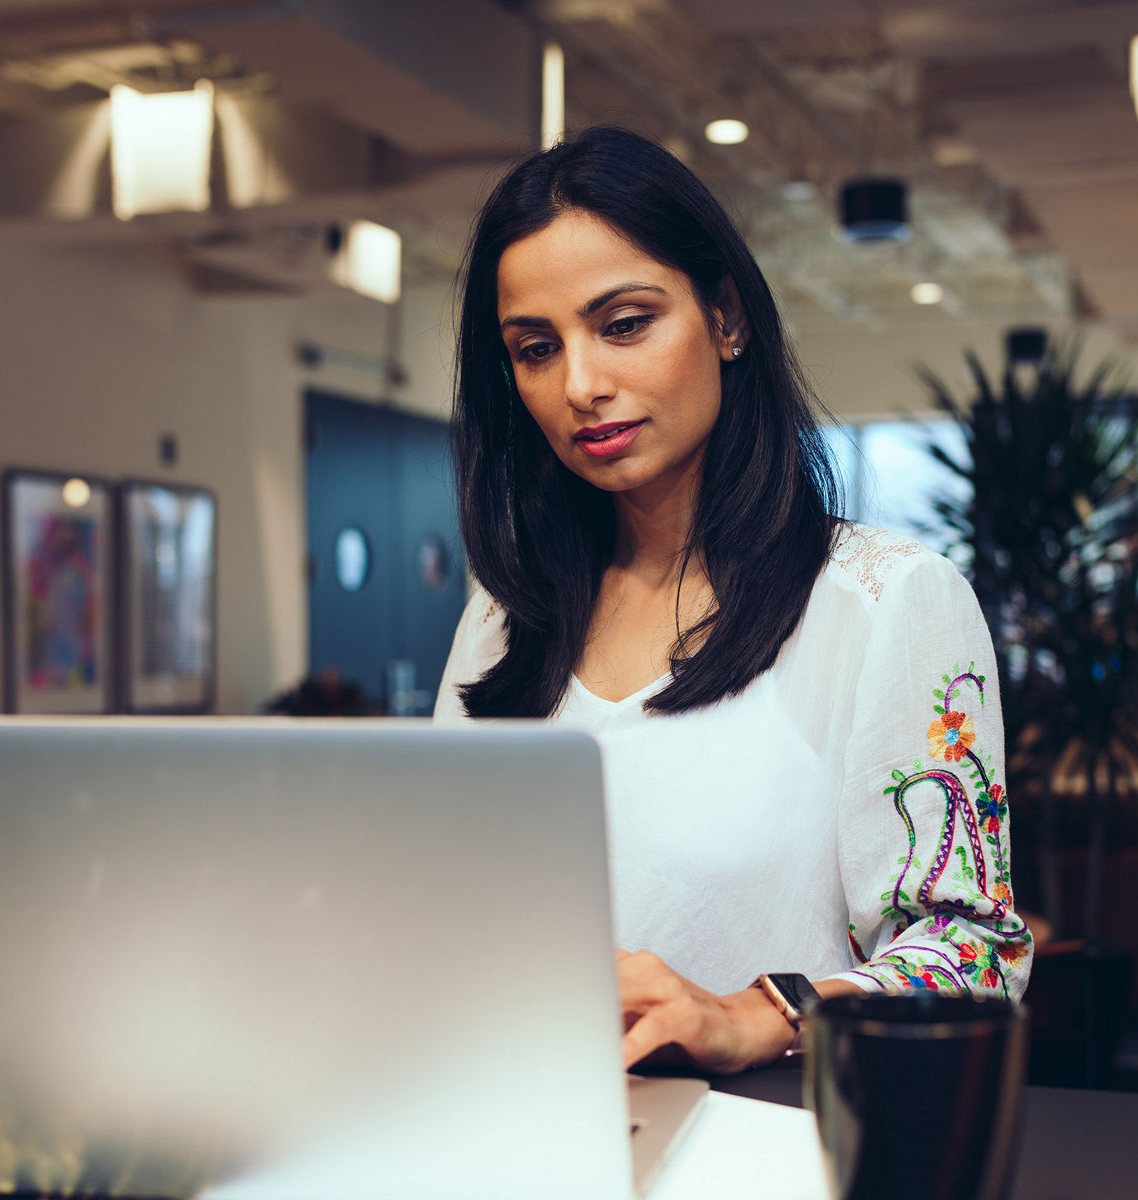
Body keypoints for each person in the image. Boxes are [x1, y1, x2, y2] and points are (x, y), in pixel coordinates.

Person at [434, 127, 1030, 1073]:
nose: (582, 384)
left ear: (726, 318)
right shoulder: (505, 615)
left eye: (624, 323)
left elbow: (974, 954)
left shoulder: (885, 604)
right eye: (536, 348)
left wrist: (759, 1014)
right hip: (518, 1129)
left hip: (754, 1146)